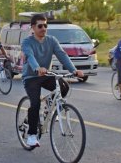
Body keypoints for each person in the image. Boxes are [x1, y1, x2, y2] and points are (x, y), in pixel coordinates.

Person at [21, 14, 84, 148]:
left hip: (46, 75)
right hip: (31, 77)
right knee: (35, 103)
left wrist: (74, 70)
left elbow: (62, 55)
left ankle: (49, 107)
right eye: (40, 26)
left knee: (64, 86)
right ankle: (32, 135)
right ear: (33, 27)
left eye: (45, 25)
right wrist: (37, 68)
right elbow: (30, 56)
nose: (43, 28)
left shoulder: (52, 40)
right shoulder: (27, 42)